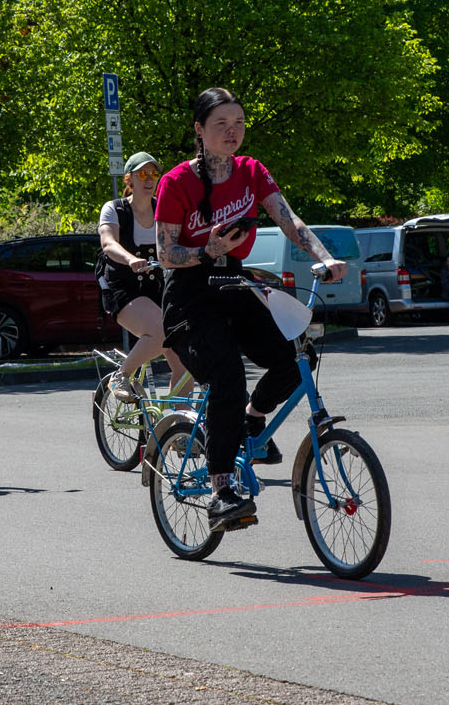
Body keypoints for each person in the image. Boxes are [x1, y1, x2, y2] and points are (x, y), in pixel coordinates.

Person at [155, 87, 346, 533]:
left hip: (233, 284)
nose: (232, 132)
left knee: (297, 356)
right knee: (228, 376)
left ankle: (252, 421)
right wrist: (209, 249)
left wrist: (324, 256)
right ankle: (221, 492)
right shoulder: (176, 181)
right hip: (188, 295)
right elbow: (165, 253)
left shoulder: (251, 172)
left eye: (239, 123)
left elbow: (290, 220)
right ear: (200, 131)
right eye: (221, 124)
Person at [98, 151, 189, 402]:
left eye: (153, 174)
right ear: (129, 179)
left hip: (159, 288)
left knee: (187, 361)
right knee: (160, 331)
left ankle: (174, 429)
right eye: (142, 174)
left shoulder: (164, 207)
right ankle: (121, 375)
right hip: (123, 288)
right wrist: (130, 259)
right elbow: (108, 243)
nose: (149, 179)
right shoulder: (114, 209)